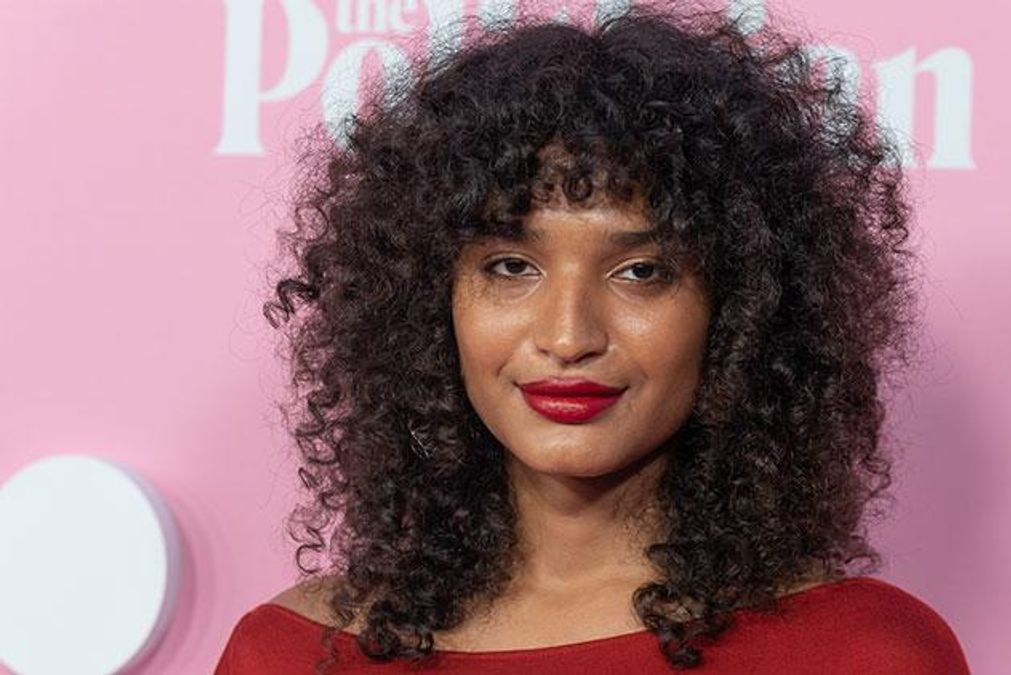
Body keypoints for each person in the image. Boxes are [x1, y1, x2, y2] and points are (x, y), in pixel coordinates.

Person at [216, 4, 969, 673]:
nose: (568, 335)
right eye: (511, 267)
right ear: (426, 302)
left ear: (743, 310)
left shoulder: (866, 654)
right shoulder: (290, 654)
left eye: (641, 272)